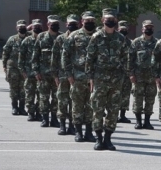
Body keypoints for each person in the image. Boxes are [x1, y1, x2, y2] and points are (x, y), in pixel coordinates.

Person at [86, 10, 128, 151]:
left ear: (116, 20)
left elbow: (125, 58)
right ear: (102, 19)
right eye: (107, 18)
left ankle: (108, 139)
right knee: (98, 109)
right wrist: (90, 78)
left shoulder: (121, 38)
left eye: (112, 18)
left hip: (116, 80)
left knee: (113, 110)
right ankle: (98, 138)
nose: (110, 21)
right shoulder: (96, 37)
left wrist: (123, 75)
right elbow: (89, 59)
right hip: (100, 79)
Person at [62, 11, 97, 143]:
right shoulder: (74, 36)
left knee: (91, 106)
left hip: (94, 77)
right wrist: (69, 74)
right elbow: (65, 55)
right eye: (87, 21)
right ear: (82, 22)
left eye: (92, 21)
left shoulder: (98, 35)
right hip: (78, 76)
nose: (89, 23)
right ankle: (78, 132)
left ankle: (89, 132)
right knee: (77, 105)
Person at [128, 20, 159, 131]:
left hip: (151, 76)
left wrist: (158, 76)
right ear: (142, 29)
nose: (148, 29)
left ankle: (147, 121)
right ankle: (138, 121)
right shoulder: (136, 42)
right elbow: (130, 59)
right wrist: (131, 73)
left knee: (150, 99)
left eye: (150, 27)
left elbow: (160, 60)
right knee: (137, 98)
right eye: (146, 27)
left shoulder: (157, 43)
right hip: (138, 76)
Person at [51, 15, 79, 135]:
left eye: (74, 23)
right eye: (70, 23)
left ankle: (72, 126)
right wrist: (55, 75)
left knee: (74, 101)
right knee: (62, 100)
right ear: (66, 25)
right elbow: (55, 57)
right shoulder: (60, 38)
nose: (72, 25)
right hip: (62, 75)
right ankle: (62, 125)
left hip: (77, 75)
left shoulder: (80, 37)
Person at [32, 15, 60, 128]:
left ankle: (54, 118)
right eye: (52, 24)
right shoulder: (41, 37)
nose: (55, 26)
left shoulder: (61, 37)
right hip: (43, 74)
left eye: (57, 24)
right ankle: (44, 118)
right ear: (48, 24)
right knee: (43, 97)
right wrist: (36, 71)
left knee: (56, 97)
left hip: (57, 74)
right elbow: (35, 55)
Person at [2, 20, 28, 116]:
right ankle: (14, 107)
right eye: (20, 27)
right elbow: (5, 52)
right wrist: (4, 65)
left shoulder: (29, 38)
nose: (22, 28)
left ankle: (22, 107)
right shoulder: (12, 39)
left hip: (25, 68)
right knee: (13, 87)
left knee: (23, 88)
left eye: (23, 26)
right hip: (13, 67)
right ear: (17, 28)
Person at [20, 20, 43, 121]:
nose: (37, 27)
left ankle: (39, 112)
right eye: (35, 26)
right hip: (29, 72)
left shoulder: (44, 39)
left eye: (39, 26)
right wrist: (22, 71)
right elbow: (21, 57)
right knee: (29, 93)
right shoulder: (27, 40)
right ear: (32, 27)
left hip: (42, 73)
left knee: (41, 94)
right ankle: (31, 112)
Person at [117, 21, 133, 124]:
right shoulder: (114, 40)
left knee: (125, 95)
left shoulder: (130, 43)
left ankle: (122, 115)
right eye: (121, 29)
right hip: (115, 73)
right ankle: (113, 115)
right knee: (114, 94)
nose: (123, 31)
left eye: (125, 29)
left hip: (126, 73)